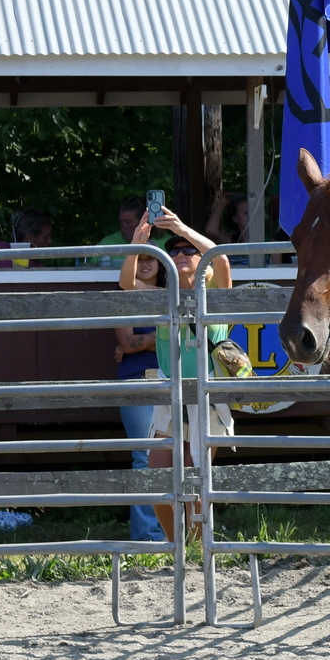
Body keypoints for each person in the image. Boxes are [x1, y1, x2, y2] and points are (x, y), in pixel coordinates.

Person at [121, 206, 232, 540]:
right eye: (174, 252)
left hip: (206, 399)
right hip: (170, 396)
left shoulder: (217, 296)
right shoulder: (162, 298)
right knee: (156, 482)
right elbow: (126, 282)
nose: (180, 254)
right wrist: (138, 242)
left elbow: (222, 260)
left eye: (189, 251)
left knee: (196, 484)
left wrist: (182, 230)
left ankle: (197, 551)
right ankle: (177, 547)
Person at [114, 248, 168, 543]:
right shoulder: (123, 297)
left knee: (176, 456)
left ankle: (171, 532)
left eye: (150, 258)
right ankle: (148, 536)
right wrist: (163, 335)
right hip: (137, 382)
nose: (145, 263)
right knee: (145, 456)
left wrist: (141, 341)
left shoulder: (172, 293)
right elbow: (127, 343)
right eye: (139, 258)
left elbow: (134, 343)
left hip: (172, 380)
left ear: (161, 262)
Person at [95, 197, 168, 267]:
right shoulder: (107, 243)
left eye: (128, 222)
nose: (123, 226)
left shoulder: (166, 242)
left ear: (143, 222)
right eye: (121, 222)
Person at [204, 191, 252, 266]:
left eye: (254, 211)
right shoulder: (230, 241)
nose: (251, 216)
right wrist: (222, 202)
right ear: (235, 218)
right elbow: (211, 230)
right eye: (246, 213)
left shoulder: (267, 240)